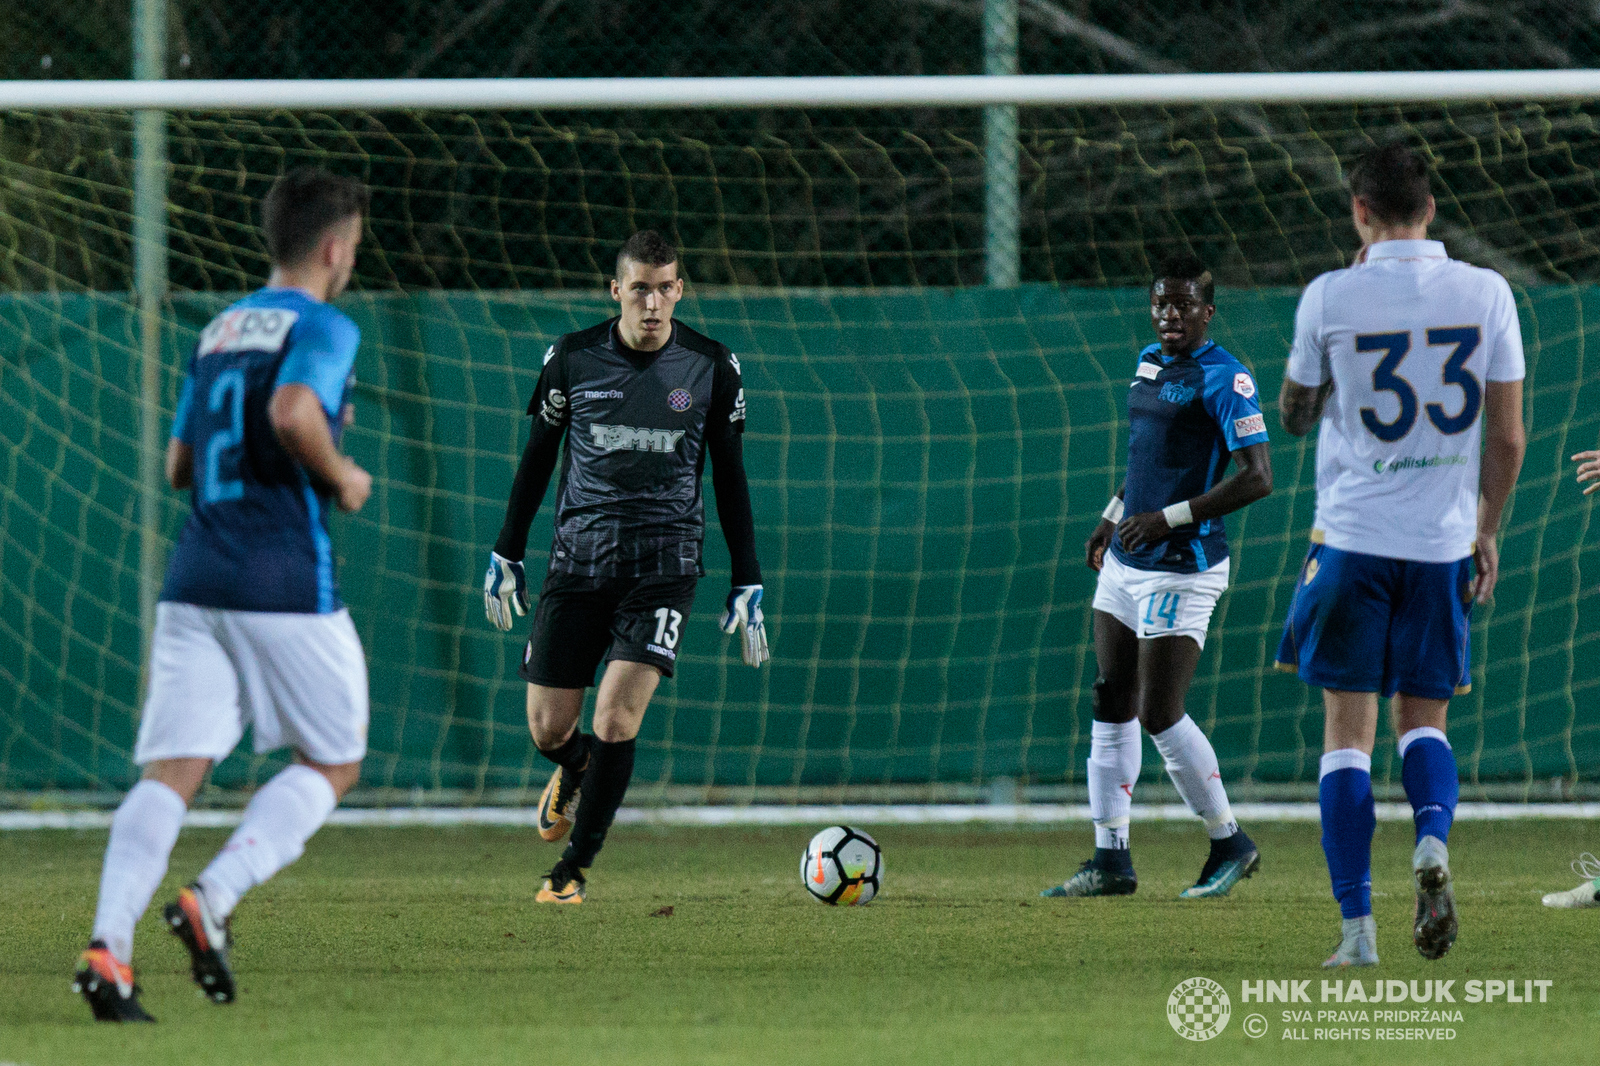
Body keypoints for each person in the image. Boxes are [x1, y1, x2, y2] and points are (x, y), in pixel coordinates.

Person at [73, 168, 373, 1021]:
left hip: (193, 576)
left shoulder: (218, 328)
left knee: (170, 775)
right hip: (279, 577)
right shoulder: (324, 324)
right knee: (334, 759)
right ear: (332, 246)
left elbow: (178, 466)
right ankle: (213, 895)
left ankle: (108, 946)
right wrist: (341, 474)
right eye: (351, 243)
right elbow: (289, 412)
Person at [1277, 143, 1526, 966]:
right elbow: (1508, 435)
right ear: (1431, 206)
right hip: (1439, 546)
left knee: (1346, 737)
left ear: (1358, 211)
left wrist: (1325, 348)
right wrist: (1485, 527)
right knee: (1424, 721)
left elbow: (1295, 417)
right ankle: (1430, 839)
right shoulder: (1487, 292)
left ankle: (1357, 933)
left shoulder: (1330, 295)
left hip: (1350, 543)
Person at [483, 230, 768, 904]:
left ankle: (571, 870)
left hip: (665, 568)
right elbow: (537, 458)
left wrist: (746, 575)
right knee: (549, 728)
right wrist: (506, 549)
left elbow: (729, 477)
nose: (652, 302)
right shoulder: (571, 359)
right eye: (639, 287)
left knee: (616, 716)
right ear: (615, 291)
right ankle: (575, 767)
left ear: (679, 290)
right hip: (578, 564)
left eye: (665, 287)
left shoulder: (712, 366)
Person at [1043, 254, 1272, 900]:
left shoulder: (1226, 378)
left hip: (1183, 567)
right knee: (1110, 695)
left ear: (1208, 311)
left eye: (1184, 305)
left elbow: (1258, 476)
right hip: (1127, 557)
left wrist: (1166, 519)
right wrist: (1112, 516)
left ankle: (1231, 841)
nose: (1171, 315)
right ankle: (1110, 859)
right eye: (1161, 304)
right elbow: (1146, 458)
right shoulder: (1148, 361)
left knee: (1158, 709)